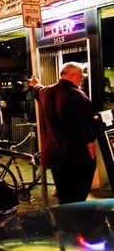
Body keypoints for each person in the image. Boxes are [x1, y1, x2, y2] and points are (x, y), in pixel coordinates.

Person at [29, 62, 97, 205]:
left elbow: (37, 89)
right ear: (71, 76)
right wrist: (92, 157)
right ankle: (76, 225)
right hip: (75, 158)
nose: (81, 80)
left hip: (54, 158)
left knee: (64, 197)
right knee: (78, 198)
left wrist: (35, 83)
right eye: (80, 77)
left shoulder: (46, 92)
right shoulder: (78, 96)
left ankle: (64, 224)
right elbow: (86, 131)